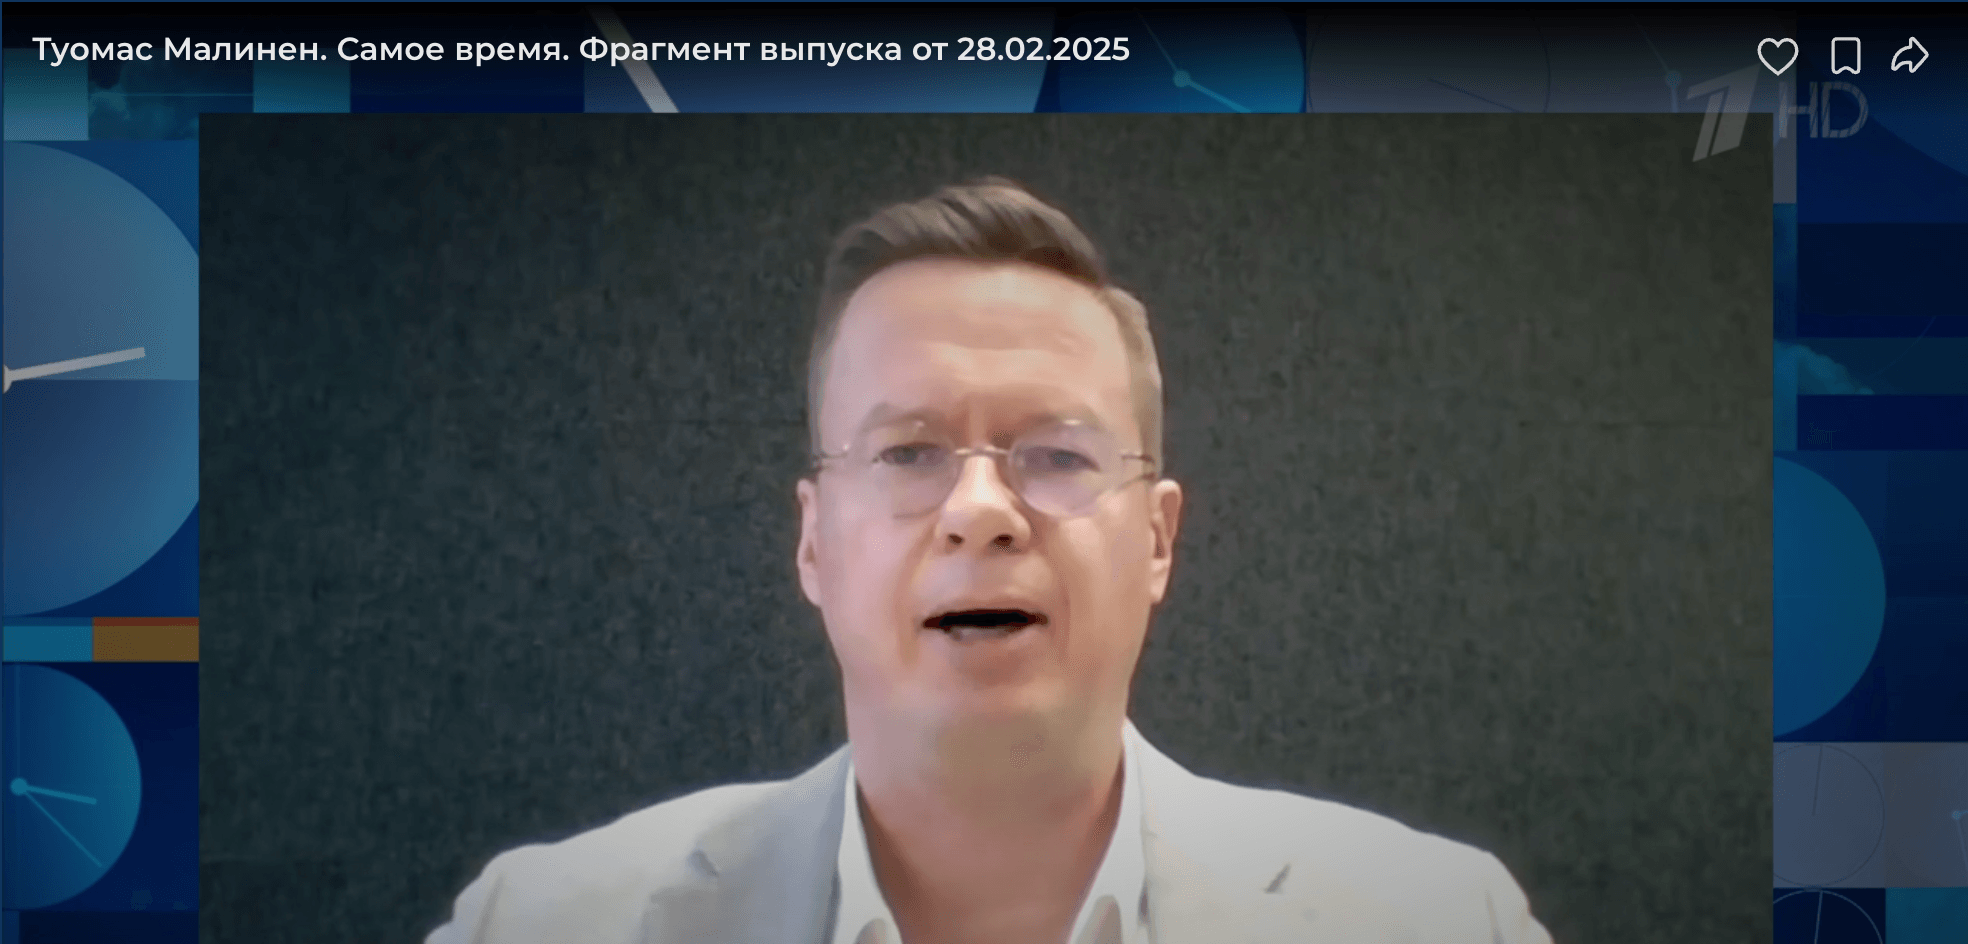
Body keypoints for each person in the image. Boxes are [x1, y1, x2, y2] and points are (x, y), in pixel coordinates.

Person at [426, 179, 1553, 944]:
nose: (980, 512)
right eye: (908, 451)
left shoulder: (1443, 921)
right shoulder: (538, 924)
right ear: (813, 540)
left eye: (1056, 455)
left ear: (1157, 539)